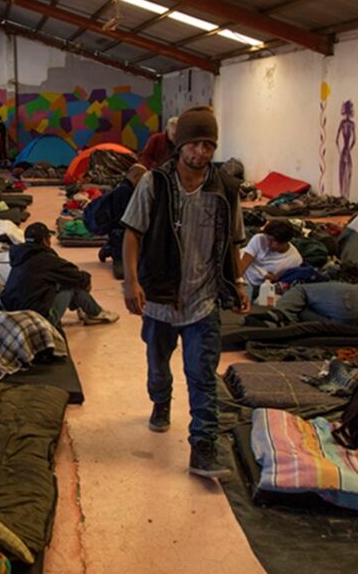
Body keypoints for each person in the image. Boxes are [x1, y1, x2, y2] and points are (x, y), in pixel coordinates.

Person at [121, 105, 247, 480]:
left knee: (203, 375)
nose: (202, 152)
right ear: (181, 144)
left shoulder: (225, 187)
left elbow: (234, 242)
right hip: (160, 301)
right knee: (158, 368)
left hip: (203, 300)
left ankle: (203, 449)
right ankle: (161, 402)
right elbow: (132, 233)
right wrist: (131, 281)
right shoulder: (155, 183)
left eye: (209, 144)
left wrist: (237, 283)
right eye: (196, 143)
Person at [2, 222, 119, 328]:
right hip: (38, 323)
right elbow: (75, 275)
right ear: (45, 241)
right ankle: (95, 313)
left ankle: (89, 310)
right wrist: (86, 281)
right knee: (73, 285)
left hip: (15, 319)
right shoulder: (46, 259)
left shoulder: (20, 256)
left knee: (59, 281)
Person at [91, 163, 148, 279]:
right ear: (136, 177)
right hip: (119, 233)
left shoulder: (121, 186)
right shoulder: (125, 191)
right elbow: (126, 218)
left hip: (114, 230)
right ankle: (112, 251)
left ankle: (109, 248)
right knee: (124, 272)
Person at [238, 220, 303, 297]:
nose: (268, 243)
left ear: (285, 241)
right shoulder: (259, 239)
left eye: (273, 241)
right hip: (240, 274)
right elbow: (242, 265)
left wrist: (273, 280)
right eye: (268, 239)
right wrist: (238, 283)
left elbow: (282, 283)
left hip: (257, 286)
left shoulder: (294, 260)